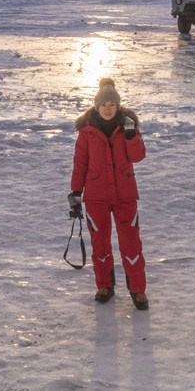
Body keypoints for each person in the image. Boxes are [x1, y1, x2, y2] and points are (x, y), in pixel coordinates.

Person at [68, 76, 149, 308]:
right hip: (96, 197)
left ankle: (138, 290)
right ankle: (105, 285)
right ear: (97, 105)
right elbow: (80, 164)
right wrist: (76, 194)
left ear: (118, 105)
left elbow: (138, 157)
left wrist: (131, 137)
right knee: (100, 244)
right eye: (103, 104)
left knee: (131, 244)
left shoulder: (128, 126)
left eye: (112, 104)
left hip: (125, 196)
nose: (107, 109)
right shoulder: (86, 131)